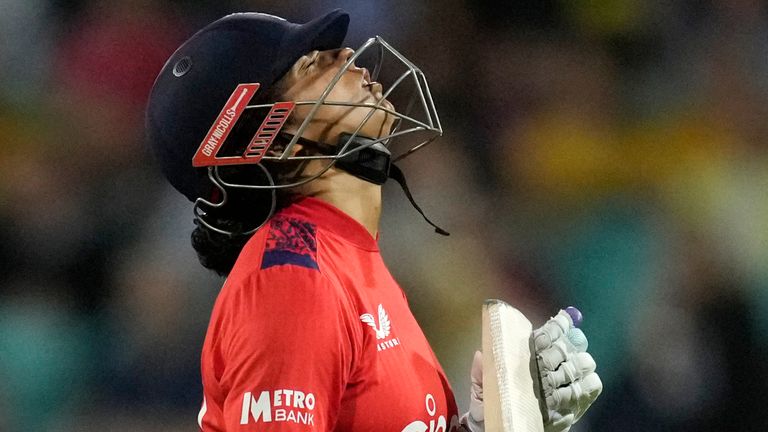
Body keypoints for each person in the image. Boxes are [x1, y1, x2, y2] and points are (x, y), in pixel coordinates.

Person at [146, 9, 601, 431]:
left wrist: (491, 423)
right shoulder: (292, 278)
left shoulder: (344, 258)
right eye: (311, 65)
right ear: (272, 136)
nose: (345, 55)